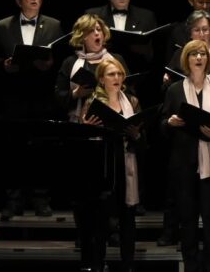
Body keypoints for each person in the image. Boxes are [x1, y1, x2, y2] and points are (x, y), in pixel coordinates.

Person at [0, 0, 64, 219]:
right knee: (12, 150)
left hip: (43, 96)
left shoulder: (54, 25)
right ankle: (13, 200)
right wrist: (4, 65)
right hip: (13, 97)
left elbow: (62, 58)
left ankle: (42, 199)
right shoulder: (3, 26)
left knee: (42, 149)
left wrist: (49, 65)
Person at [161, 39, 210, 272]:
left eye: (202, 54)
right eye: (194, 54)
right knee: (187, 217)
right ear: (186, 59)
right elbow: (162, 125)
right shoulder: (174, 90)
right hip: (184, 163)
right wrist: (170, 123)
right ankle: (190, 264)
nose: (199, 57)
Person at [81, 58, 144, 272]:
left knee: (128, 220)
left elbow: (144, 140)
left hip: (127, 164)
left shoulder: (132, 102)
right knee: (101, 221)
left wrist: (136, 135)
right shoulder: (93, 102)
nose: (116, 78)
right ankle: (98, 265)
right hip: (104, 168)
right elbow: (84, 142)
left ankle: (128, 266)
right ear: (101, 79)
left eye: (119, 74)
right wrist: (86, 128)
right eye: (111, 74)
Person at [56, 14, 125, 124]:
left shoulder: (116, 59)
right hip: (82, 122)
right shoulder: (70, 62)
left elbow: (129, 91)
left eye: (99, 29)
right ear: (82, 37)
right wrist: (76, 94)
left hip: (115, 118)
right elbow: (59, 96)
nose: (97, 33)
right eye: (91, 31)